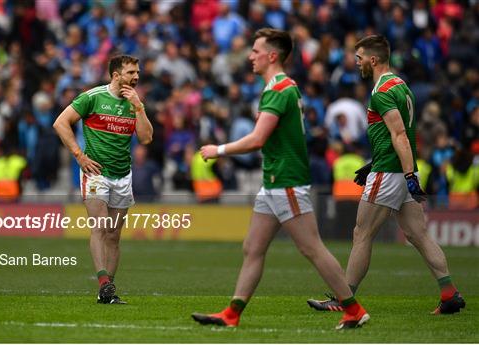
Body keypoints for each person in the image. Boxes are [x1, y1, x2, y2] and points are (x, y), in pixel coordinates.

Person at [191, 28, 369, 330]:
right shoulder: (285, 87)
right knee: (253, 247)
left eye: (256, 51)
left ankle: (353, 309)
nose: (250, 56)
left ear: (272, 56)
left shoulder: (278, 90)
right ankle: (232, 314)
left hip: (285, 180)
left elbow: (258, 139)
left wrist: (218, 149)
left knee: (311, 247)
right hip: (274, 181)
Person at [307, 35, 465, 315]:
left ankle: (345, 300)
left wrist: (406, 176)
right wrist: (388, 167)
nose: (356, 64)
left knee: (362, 233)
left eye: (359, 59)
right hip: (399, 170)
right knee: (419, 235)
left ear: (373, 59)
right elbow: (396, 133)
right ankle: (449, 293)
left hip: (392, 173)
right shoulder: (401, 85)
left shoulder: (381, 92)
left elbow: (399, 134)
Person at [53, 55, 153, 304]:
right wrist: (79, 155)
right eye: (131, 72)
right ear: (116, 75)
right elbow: (60, 123)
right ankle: (104, 282)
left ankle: (106, 292)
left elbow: (146, 138)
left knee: (114, 235)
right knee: (99, 226)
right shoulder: (92, 97)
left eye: (137, 72)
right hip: (95, 173)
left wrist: (139, 107)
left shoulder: (134, 103)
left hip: (122, 175)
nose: (136, 77)